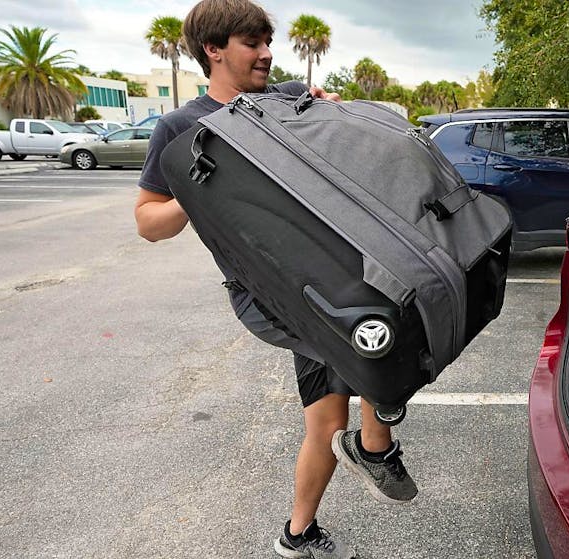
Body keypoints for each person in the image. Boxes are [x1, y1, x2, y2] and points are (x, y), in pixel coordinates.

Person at [134, 1, 417, 557]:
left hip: (328, 270)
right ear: (213, 50)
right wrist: (192, 192)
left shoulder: (285, 100)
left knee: (325, 421)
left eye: (268, 41)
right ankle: (377, 442)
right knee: (379, 336)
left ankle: (298, 534)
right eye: (251, 43)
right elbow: (148, 222)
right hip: (268, 291)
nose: (266, 53)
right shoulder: (182, 127)